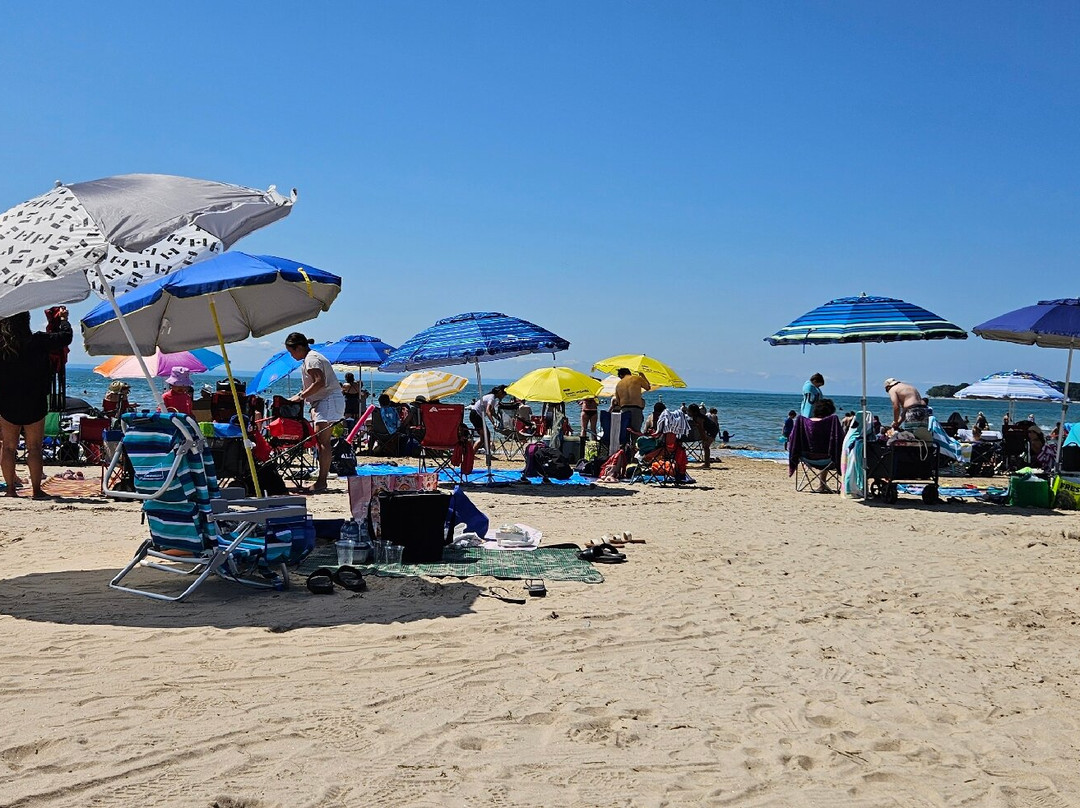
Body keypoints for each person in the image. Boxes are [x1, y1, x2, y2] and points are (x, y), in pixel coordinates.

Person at [0, 309, 73, 499]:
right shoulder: (39, 341)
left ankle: (10, 490)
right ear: (27, 322)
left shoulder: (3, 345)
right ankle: (36, 490)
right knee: (34, 447)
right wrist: (64, 319)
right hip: (35, 399)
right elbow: (66, 337)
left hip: (8, 400)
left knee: (8, 447)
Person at [284, 332, 345, 493]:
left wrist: (300, 396)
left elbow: (319, 382)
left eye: (292, 352)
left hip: (328, 400)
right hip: (327, 400)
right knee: (322, 441)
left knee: (323, 441)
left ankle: (321, 481)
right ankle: (321, 480)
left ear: (299, 347)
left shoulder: (312, 359)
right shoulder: (311, 357)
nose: (292, 356)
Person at [613, 368, 651, 433]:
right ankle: (634, 443)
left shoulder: (618, 384)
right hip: (636, 408)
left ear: (621, 375)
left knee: (624, 431)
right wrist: (642, 375)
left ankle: (625, 443)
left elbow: (618, 401)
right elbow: (648, 387)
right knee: (636, 432)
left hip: (624, 408)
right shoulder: (637, 378)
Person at [470, 385, 506, 453]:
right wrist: (493, 423)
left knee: (483, 438)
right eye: (504, 394)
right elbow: (488, 411)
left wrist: (498, 419)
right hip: (476, 415)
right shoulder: (491, 398)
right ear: (500, 392)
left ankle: (472, 453)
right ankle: (488, 454)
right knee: (487, 435)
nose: (504, 396)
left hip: (475, 415)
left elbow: (492, 412)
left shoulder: (493, 398)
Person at [687, 403, 715, 468]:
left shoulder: (699, 418)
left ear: (694, 412)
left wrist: (704, 438)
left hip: (712, 430)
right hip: (708, 429)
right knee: (705, 446)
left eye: (689, 411)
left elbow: (701, 429)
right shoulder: (695, 417)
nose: (688, 412)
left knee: (706, 446)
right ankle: (706, 463)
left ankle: (707, 464)